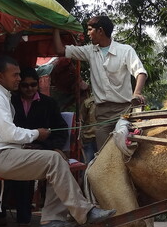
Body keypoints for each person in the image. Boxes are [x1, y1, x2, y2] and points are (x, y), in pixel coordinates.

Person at [0, 55, 114, 227]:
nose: (19, 80)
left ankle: (52, 219)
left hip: (8, 151)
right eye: (15, 75)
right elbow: (9, 134)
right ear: (0, 76)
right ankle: (81, 212)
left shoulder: (2, 95)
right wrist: (38, 133)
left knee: (56, 159)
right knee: (53, 159)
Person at [54, 15, 147, 152]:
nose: (87, 33)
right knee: (103, 155)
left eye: (90, 29)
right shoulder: (90, 51)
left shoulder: (125, 50)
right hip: (102, 115)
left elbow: (140, 72)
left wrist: (137, 93)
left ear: (100, 31)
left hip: (124, 111)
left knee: (125, 149)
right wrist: (55, 27)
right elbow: (60, 50)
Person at [7, 67, 69, 227]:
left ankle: (52, 217)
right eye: (25, 86)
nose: (29, 89)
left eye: (33, 85)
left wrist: (52, 147)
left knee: (59, 169)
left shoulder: (49, 103)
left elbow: (60, 130)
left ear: (38, 85)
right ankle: (21, 219)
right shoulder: (10, 101)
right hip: (16, 148)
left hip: (43, 149)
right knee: (20, 177)